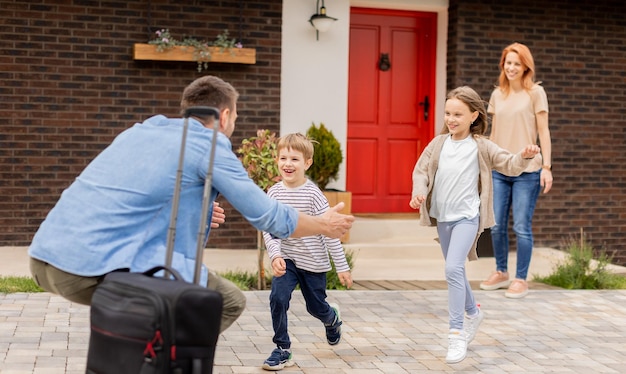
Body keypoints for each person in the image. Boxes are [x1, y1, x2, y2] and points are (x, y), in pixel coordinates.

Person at [28, 75, 354, 335]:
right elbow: (268, 215)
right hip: (88, 268)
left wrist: (191, 208)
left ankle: (141, 353)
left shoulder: (141, 131)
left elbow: (133, 195)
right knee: (222, 301)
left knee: (162, 313)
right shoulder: (209, 145)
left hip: (45, 258)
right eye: (235, 117)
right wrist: (323, 225)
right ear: (224, 116)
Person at [409, 86, 540, 364]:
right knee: (455, 271)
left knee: (453, 268)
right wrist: (418, 192)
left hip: (467, 218)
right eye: (447, 113)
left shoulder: (481, 146)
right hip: (442, 218)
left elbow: (509, 163)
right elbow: (420, 171)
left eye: (457, 114)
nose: (451, 119)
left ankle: (456, 333)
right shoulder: (438, 144)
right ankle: (474, 312)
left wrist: (525, 156)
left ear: (473, 116)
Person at [261, 133, 353, 371]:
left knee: (315, 307)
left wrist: (341, 265)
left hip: (313, 262)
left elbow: (329, 229)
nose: (287, 164)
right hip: (287, 259)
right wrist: (276, 255)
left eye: (294, 159)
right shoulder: (274, 193)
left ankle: (331, 318)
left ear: (307, 163)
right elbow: (268, 230)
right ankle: (282, 349)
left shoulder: (313, 194)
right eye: (283, 158)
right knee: (278, 298)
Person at [480, 42, 553, 299]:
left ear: (525, 67)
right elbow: (492, 132)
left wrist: (547, 167)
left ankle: (521, 278)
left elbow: (543, 131)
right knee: (497, 226)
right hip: (501, 169)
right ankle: (501, 272)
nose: (511, 67)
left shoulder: (535, 93)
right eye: (508, 63)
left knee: (521, 226)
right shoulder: (497, 95)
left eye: (516, 63)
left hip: (528, 170)